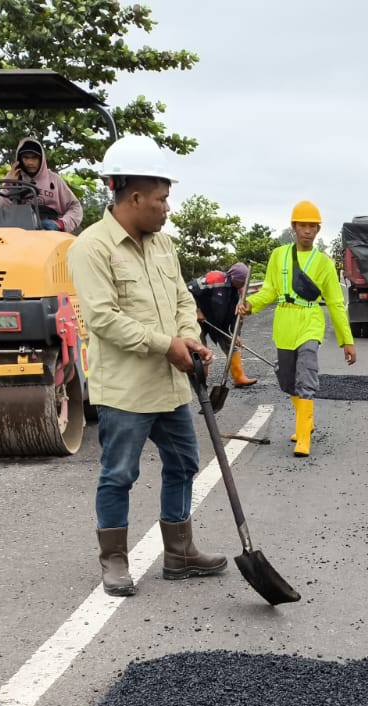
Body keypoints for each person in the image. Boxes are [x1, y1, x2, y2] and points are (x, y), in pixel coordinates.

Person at [66, 135, 224, 597]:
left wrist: (189, 340)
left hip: (171, 384)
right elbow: (103, 319)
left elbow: (181, 298)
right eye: (161, 198)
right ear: (134, 197)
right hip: (126, 390)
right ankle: (114, 559)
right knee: (119, 473)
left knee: (184, 463)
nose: (166, 207)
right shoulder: (91, 248)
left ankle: (179, 552)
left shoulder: (164, 245)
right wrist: (166, 345)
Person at [237, 200, 356, 457]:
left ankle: (303, 438)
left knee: (306, 377)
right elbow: (268, 290)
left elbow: (335, 303)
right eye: (302, 225)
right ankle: (308, 421)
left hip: (310, 322)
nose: (307, 231)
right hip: (284, 323)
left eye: (312, 226)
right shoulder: (278, 255)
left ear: (318, 229)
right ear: (293, 227)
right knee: (288, 381)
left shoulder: (324, 262)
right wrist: (250, 304)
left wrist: (347, 340)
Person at [187, 263, 258, 387]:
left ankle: (239, 378)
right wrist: (196, 309)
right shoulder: (214, 278)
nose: (243, 284)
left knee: (231, 345)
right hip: (200, 319)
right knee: (199, 347)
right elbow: (188, 290)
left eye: (245, 282)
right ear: (234, 277)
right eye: (241, 281)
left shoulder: (241, 292)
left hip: (220, 322)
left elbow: (238, 316)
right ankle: (201, 379)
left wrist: (237, 334)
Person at [0, 136, 83, 233]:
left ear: (41, 159)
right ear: (20, 159)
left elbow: (75, 207)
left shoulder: (55, 180)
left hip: (50, 233)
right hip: (20, 231)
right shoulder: (13, 178)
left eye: (34, 158)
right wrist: (8, 184)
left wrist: (60, 224)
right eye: (25, 158)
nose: (30, 162)